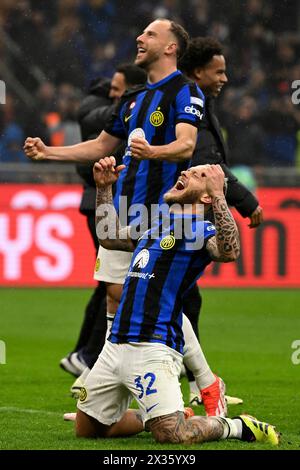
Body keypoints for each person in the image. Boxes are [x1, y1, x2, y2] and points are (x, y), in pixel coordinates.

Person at [25, 19, 227, 417]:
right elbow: (102, 144)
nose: (140, 37)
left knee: (139, 295)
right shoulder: (134, 96)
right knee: (116, 296)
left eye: (151, 34)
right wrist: (51, 152)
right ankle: (112, 396)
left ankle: (202, 382)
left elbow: (186, 145)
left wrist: (152, 153)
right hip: (125, 211)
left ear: (171, 47)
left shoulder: (185, 91)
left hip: (162, 212)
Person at [74, 156, 279, 447]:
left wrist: (220, 195)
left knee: (173, 435)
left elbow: (228, 251)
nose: (185, 172)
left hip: (154, 347)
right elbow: (108, 238)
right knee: (88, 430)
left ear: (206, 195)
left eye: (196, 174)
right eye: (188, 169)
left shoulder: (200, 231)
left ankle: (235, 426)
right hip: (114, 345)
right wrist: (104, 188)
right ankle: (160, 413)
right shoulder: (155, 225)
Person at [178, 37, 264, 405]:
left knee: (181, 298)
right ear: (198, 72)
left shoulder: (198, 101)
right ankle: (198, 385)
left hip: (178, 212)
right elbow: (208, 164)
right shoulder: (190, 104)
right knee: (176, 299)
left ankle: (197, 384)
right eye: (219, 70)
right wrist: (245, 200)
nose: (225, 78)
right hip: (175, 214)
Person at [60, 64, 147, 377]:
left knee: (108, 284)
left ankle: (87, 355)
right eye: (113, 89)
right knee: (115, 284)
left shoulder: (138, 107)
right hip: (111, 205)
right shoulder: (107, 110)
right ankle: (91, 356)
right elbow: (96, 139)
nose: (113, 93)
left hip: (122, 207)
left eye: (117, 89)